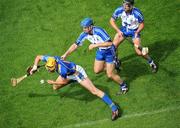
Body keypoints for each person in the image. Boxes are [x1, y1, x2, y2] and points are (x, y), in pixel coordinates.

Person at [30, 55, 120, 121]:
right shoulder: (51, 59)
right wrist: (34, 67)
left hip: (77, 74)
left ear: (55, 66)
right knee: (55, 87)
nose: (49, 70)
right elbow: (38, 57)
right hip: (69, 74)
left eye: (50, 69)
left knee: (94, 91)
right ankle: (72, 80)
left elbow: (63, 81)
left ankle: (114, 108)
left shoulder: (63, 70)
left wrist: (53, 81)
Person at [61, 17, 128, 94]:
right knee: (97, 70)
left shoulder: (99, 31)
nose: (84, 29)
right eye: (83, 28)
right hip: (100, 51)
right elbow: (75, 45)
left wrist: (95, 45)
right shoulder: (84, 34)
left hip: (109, 52)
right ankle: (114, 66)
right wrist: (65, 54)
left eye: (85, 28)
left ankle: (123, 85)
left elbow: (110, 43)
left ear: (91, 26)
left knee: (110, 74)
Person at [109, 0, 158, 73]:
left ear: (131, 6)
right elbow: (111, 20)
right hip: (123, 30)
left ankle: (152, 63)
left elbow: (142, 24)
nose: (124, 6)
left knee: (139, 52)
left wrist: (137, 32)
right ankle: (116, 61)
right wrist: (118, 31)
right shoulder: (119, 10)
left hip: (134, 31)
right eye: (123, 4)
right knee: (113, 47)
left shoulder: (137, 13)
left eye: (126, 5)